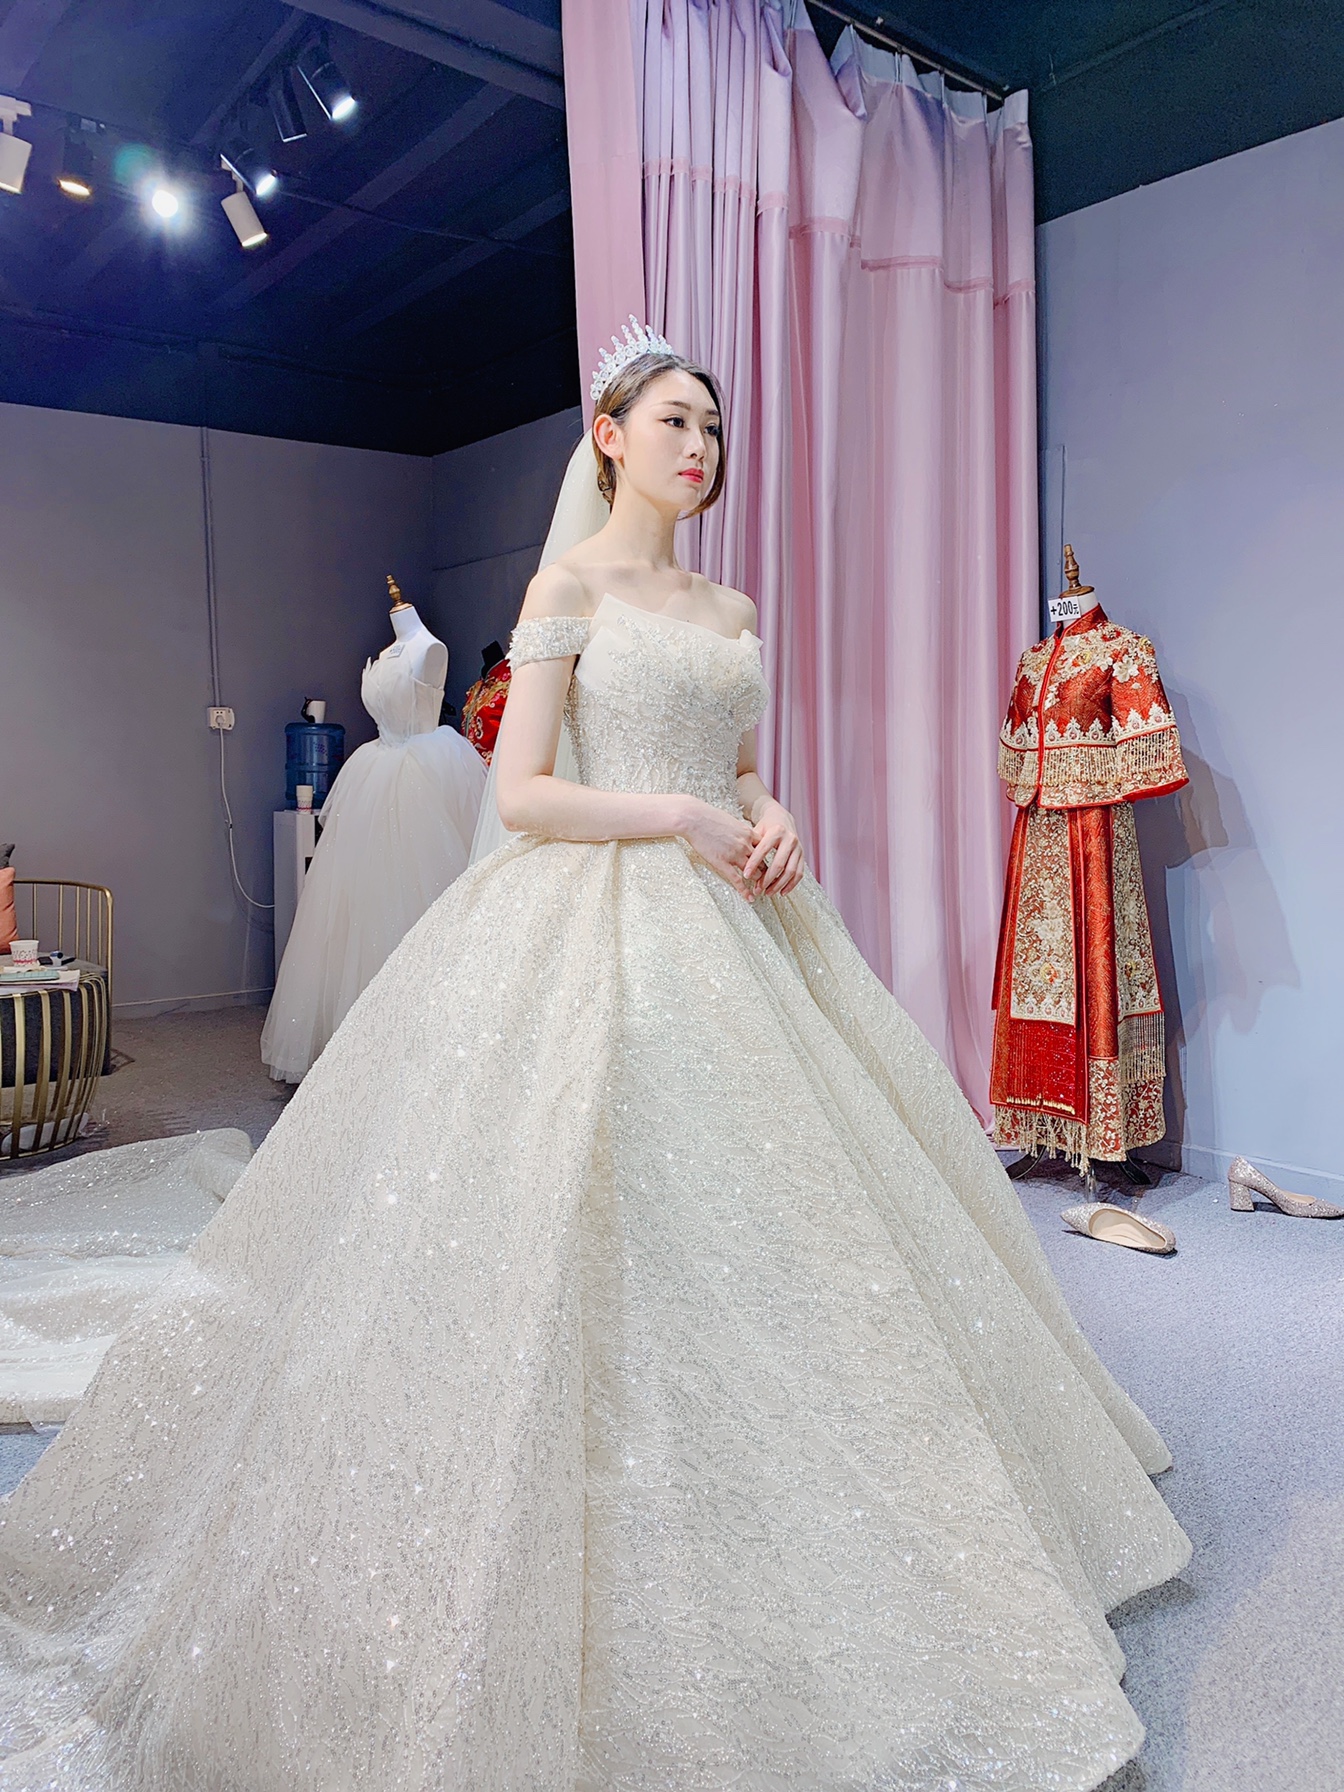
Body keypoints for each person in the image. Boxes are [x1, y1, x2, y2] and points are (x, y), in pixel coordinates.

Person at [0, 327, 1190, 1792]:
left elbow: (741, 765)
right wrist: (680, 818)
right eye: (675, 421)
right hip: (595, 910)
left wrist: (769, 814)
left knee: (795, 1221)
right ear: (611, 438)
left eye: (714, 428)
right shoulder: (565, 589)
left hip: (741, 922)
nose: (701, 447)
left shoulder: (730, 606)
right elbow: (526, 792)